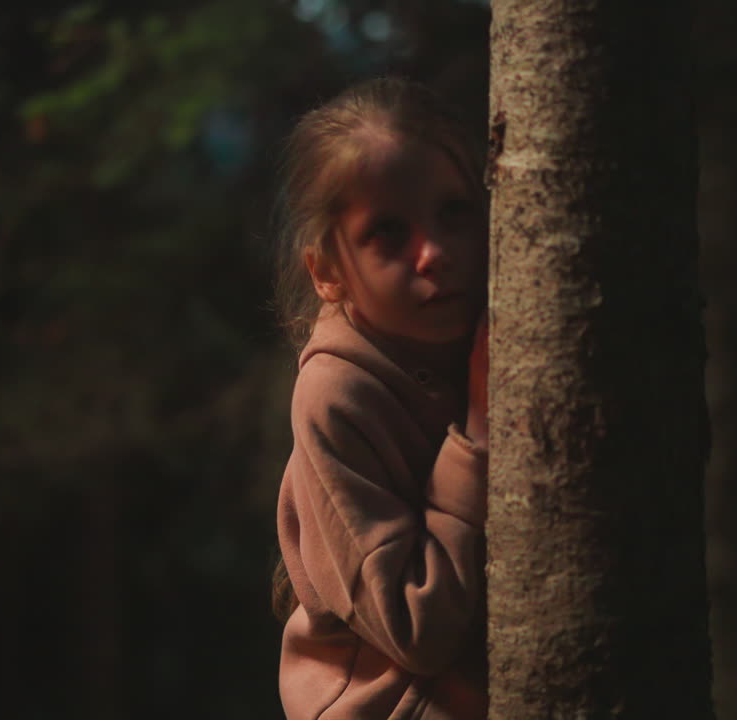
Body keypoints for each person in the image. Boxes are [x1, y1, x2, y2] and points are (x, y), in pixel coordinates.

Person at [270, 77, 490, 720]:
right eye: (388, 234)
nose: (434, 253)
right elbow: (415, 631)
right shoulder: (335, 395)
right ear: (326, 271)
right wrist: (476, 433)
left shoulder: (487, 328)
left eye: (454, 213)